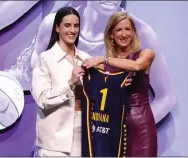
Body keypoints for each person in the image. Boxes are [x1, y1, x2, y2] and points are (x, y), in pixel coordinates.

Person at [31, 0, 176, 124]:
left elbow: (167, 98)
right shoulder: (53, 25)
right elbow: (38, 77)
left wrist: (124, 131)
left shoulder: (141, 33)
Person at [82, 11, 157, 156]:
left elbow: (136, 66)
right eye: (119, 29)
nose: (124, 34)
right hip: (113, 126)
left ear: (133, 32)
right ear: (111, 34)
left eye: (128, 29)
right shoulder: (104, 66)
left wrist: (104, 60)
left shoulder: (146, 54)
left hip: (140, 127)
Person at [31, 7, 90, 156]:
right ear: (57, 28)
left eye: (76, 26)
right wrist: (70, 83)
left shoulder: (86, 58)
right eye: (67, 25)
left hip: (82, 135)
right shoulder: (45, 59)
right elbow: (42, 99)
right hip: (54, 141)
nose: (72, 30)